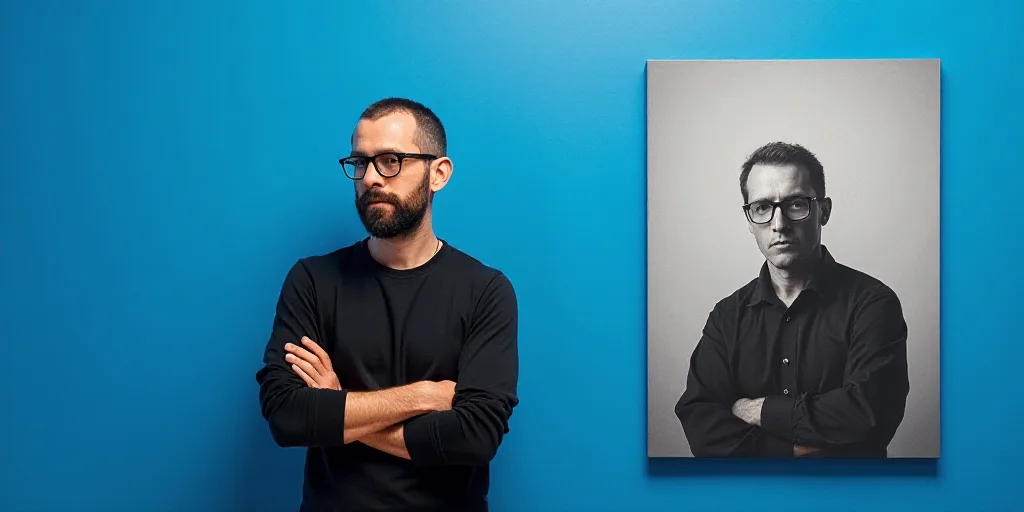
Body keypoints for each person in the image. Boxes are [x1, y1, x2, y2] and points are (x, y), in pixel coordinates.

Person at [255, 97, 519, 510]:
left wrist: (339, 404)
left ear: (439, 173)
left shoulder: (485, 290)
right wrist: (422, 395)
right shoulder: (313, 280)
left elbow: (475, 437)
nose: (371, 178)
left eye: (391, 160)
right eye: (360, 163)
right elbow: (288, 416)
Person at [674, 141, 910, 458]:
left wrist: (762, 411)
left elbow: (869, 414)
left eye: (796, 204)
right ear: (749, 220)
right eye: (761, 208)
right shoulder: (727, 316)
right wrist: (790, 451)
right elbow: (700, 422)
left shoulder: (873, 304)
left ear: (823, 211)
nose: (779, 224)